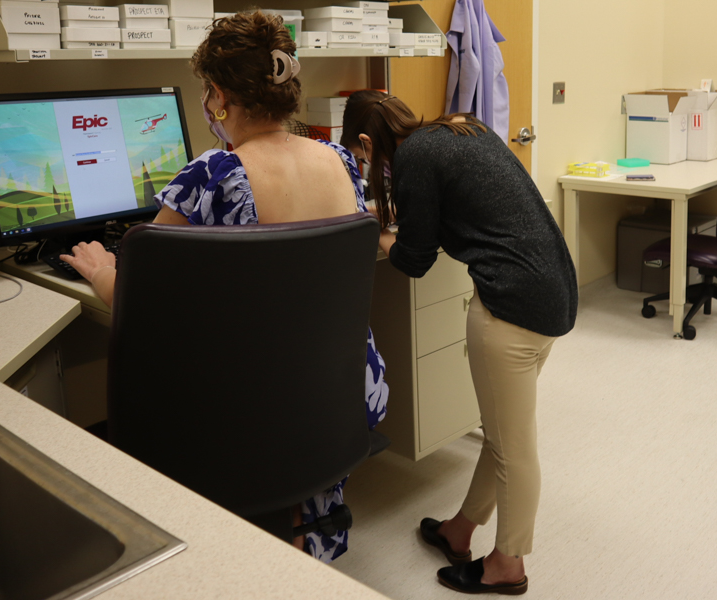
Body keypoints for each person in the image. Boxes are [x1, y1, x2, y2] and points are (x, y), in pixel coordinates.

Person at [61, 11, 389, 564]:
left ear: (217, 96)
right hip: (335, 396)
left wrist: (99, 270)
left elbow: (139, 304)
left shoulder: (212, 175)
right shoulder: (338, 161)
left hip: (249, 411)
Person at [341, 91, 578, 595]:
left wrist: (369, 228)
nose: (369, 168)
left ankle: (507, 566)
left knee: (514, 449)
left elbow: (413, 259)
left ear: (366, 142)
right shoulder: (459, 129)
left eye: (363, 160)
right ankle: (459, 531)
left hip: (511, 310)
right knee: (503, 435)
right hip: (552, 293)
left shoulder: (413, 158)